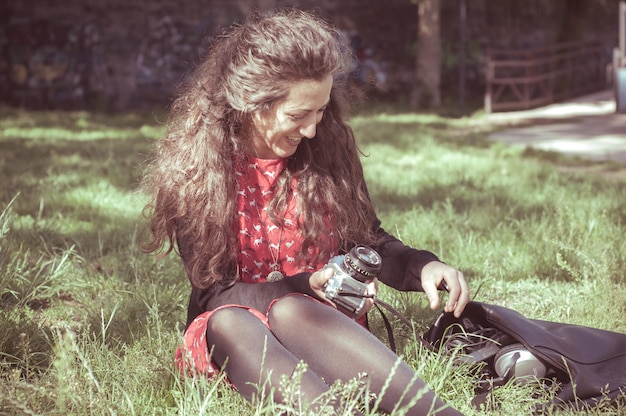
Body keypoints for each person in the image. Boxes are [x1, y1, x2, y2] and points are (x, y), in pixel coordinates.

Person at [141, 8, 470, 415]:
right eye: (298, 115)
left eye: (321, 111)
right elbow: (214, 292)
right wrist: (300, 285)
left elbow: (368, 239)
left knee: (294, 309)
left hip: (319, 327)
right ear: (252, 103)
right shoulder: (196, 174)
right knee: (233, 318)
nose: (313, 129)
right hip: (240, 336)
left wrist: (422, 267)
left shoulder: (328, 149)